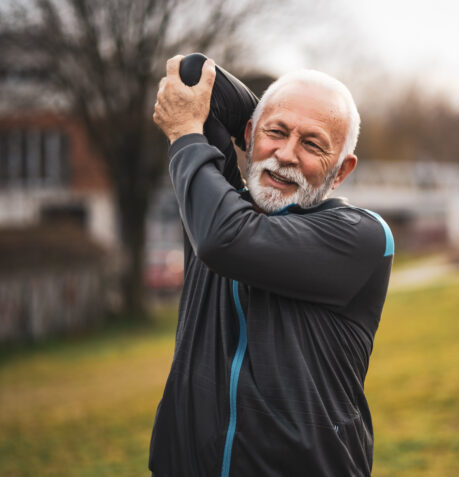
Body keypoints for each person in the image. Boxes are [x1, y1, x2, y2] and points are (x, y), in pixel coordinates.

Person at [150, 55, 393, 477]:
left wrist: (187, 135)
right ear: (249, 134)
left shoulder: (361, 236)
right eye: (275, 134)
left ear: (341, 171)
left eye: (313, 144)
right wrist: (268, 116)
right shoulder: (219, 203)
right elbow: (192, 72)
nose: (284, 155)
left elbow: (226, 238)